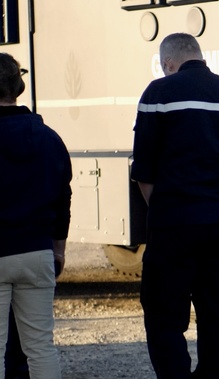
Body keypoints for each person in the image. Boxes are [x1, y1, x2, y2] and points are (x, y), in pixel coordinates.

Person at [130, 33, 219, 378]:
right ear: (200, 56)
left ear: (168, 63)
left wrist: (164, 209)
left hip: (173, 221)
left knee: (164, 314)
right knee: (215, 313)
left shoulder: (158, 94)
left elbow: (143, 171)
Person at [0, 52, 71, 379]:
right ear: (18, 86)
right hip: (38, 251)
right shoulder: (49, 138)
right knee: (41, 347)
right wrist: (58, 248)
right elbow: (63, 198)